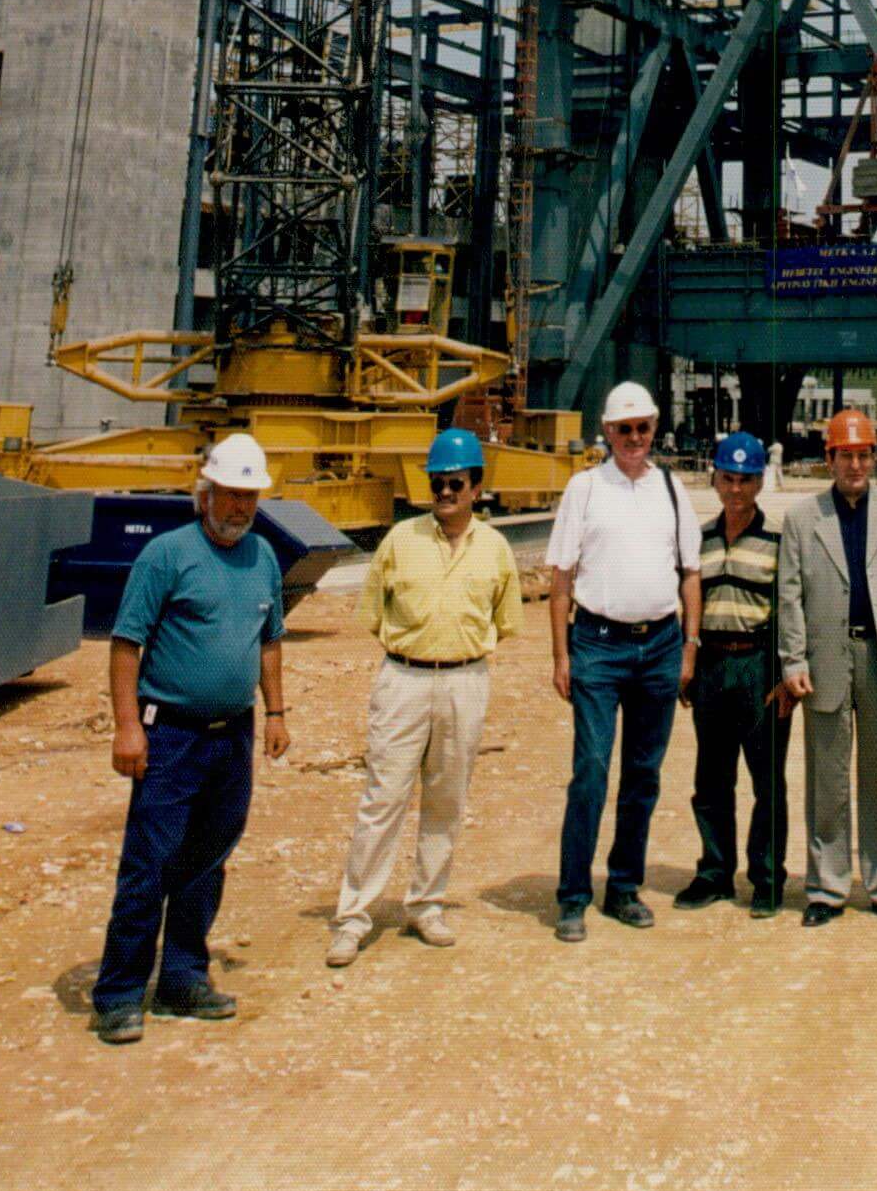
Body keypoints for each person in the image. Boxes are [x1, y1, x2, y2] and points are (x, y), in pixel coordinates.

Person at [91, 433, 289, 1044]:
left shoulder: (263, 557)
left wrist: (277, 712)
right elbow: (126, 644)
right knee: (150, 863)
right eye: (230, 495)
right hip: (170, 735)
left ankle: (182, 979)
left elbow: (270, 640)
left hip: (232, 737)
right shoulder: (166, 556)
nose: (240, 508)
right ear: (204, 494)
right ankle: (119, 994)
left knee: (206, 861)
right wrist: (127, 727)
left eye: (249, 498)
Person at [325, 427, 523, 966]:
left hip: (465, 681)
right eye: (437, 483)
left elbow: (505, 621)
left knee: (446, 799)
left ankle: (426, 905)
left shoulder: (496, 550)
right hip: (404, 680)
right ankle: (353, 917)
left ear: (476, 487)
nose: (445, 492)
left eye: (455, 483)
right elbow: (373, 615)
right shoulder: (399, 541)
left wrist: (456, 653)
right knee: (382, 799)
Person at [776, 407, 877, 926]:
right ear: (828, 458)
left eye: (863, 455)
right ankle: (826, 888)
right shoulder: (802, 519)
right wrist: (792, 659)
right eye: (845, 455)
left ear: (875, 457)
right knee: (827, 777)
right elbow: (790, 597)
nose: (855, 465)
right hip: (826, 659)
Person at [547, 379, 702, 942]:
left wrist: (689, 646)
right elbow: (561, 580)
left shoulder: (671, 489)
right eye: (624, 429)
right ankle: (573, 896)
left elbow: (690, 574)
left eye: (642, 427)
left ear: (654, 428)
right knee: (591, 770)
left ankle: (624, 887)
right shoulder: (585, 489)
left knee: (643, 774)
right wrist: (561, 655)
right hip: (598, 645)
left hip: (659, 646)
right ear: (608, 432)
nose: (635, 437)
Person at [675, 429, 790, 917]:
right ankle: (714, 872)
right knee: (712, 776)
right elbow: (685, 603)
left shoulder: (778, 541)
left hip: (759, 665)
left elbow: (790, 612)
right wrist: (687, 663)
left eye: (746, 479)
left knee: (767, 780)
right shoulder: (697, 540)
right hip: (712, 665)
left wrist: (785, 675)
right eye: (728, 478)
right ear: (715, 479)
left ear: (760, 482)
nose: (736, 489)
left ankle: (766, 879)